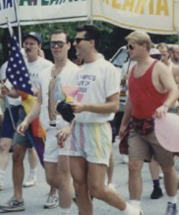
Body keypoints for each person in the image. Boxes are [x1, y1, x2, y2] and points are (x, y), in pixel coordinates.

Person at [58, 24, 142, 215]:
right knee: (79, 187)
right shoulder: (78, 72)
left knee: (97, 187)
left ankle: (131, 211)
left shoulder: (108, 69)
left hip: (98, 129)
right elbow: (74, 104)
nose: (75, 44)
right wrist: (66, 120)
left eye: (79, 40)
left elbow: (113, 105)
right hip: (78, 130)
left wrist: (85, 107)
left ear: (91, 42)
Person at [18, 29, 79, 214]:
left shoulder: (73, 72)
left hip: (67, 131)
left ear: (68, 45)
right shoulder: (45, 73)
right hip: (50, 131)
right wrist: (27, 121)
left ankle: (65, 210)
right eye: (53, 44)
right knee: (51, 179)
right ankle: (79, 191)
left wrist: (70, 126)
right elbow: (40, 103)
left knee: (63, 175)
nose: (56, 47)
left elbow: (78, 106)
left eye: (60, 43)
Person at [120, 31, 179, 215]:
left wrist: (165, 106)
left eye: (132, 46)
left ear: (144, 46)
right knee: (133, 166)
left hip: (159, 126)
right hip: (137, 126)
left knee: (167, 168)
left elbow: (174, 90)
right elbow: (131, 100)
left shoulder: (159, 67)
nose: (129, 50)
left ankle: (172, 203)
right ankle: (135, 208)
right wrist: (123, 124)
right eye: (128, 46)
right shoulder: (131, 70)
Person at [0, 32, 53, 212]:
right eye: (26, 43)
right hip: (24, 115)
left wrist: (42, 95)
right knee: (17, 154)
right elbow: (16, 92)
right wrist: (7, 91)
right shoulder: (18, 66)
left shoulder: (47, 66)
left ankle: (54, 192)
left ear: (39, 47)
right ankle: (17, 198)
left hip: (42, 116)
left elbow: (54, 92)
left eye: (32, 43)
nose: (28, 46)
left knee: (48, 158)